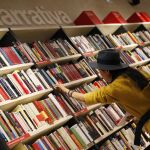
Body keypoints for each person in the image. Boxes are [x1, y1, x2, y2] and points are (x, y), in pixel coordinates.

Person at [56, 49, 150, 134]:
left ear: (107, 71)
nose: (100, 75)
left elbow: (84, 98)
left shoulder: (115, 88)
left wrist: (64, 89)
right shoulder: (136, 73)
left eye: (100, 70)